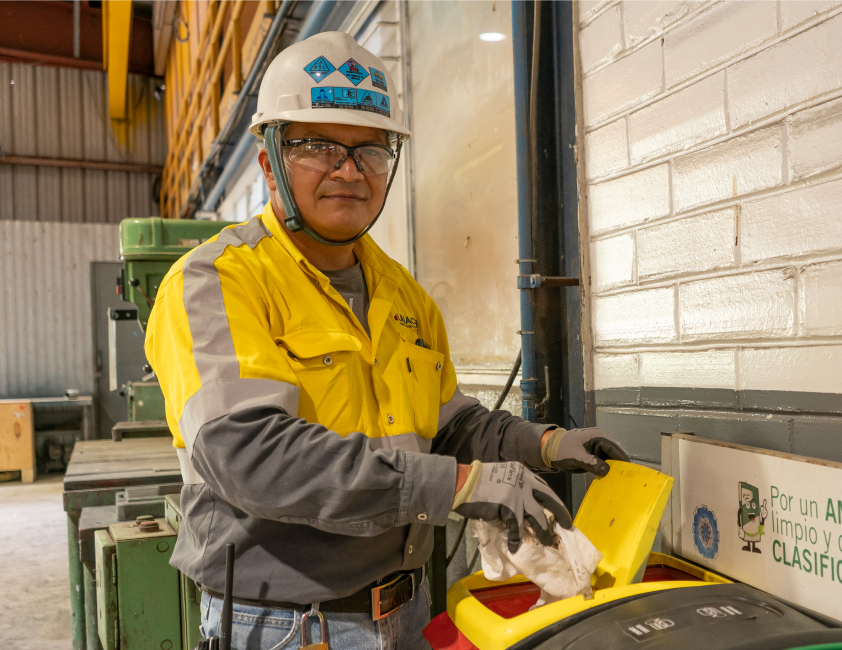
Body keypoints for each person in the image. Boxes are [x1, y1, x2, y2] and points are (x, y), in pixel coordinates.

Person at [145, 31, 627, 650]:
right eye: (318, 146)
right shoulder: (216, 282)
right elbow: (249, 457)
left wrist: (548, 443)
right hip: (283, 624)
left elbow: (447, 424)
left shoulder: (403, 294)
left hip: (404, 609)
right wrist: (459, 487)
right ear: (268, 161)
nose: (348, 171)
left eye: (371, 151)